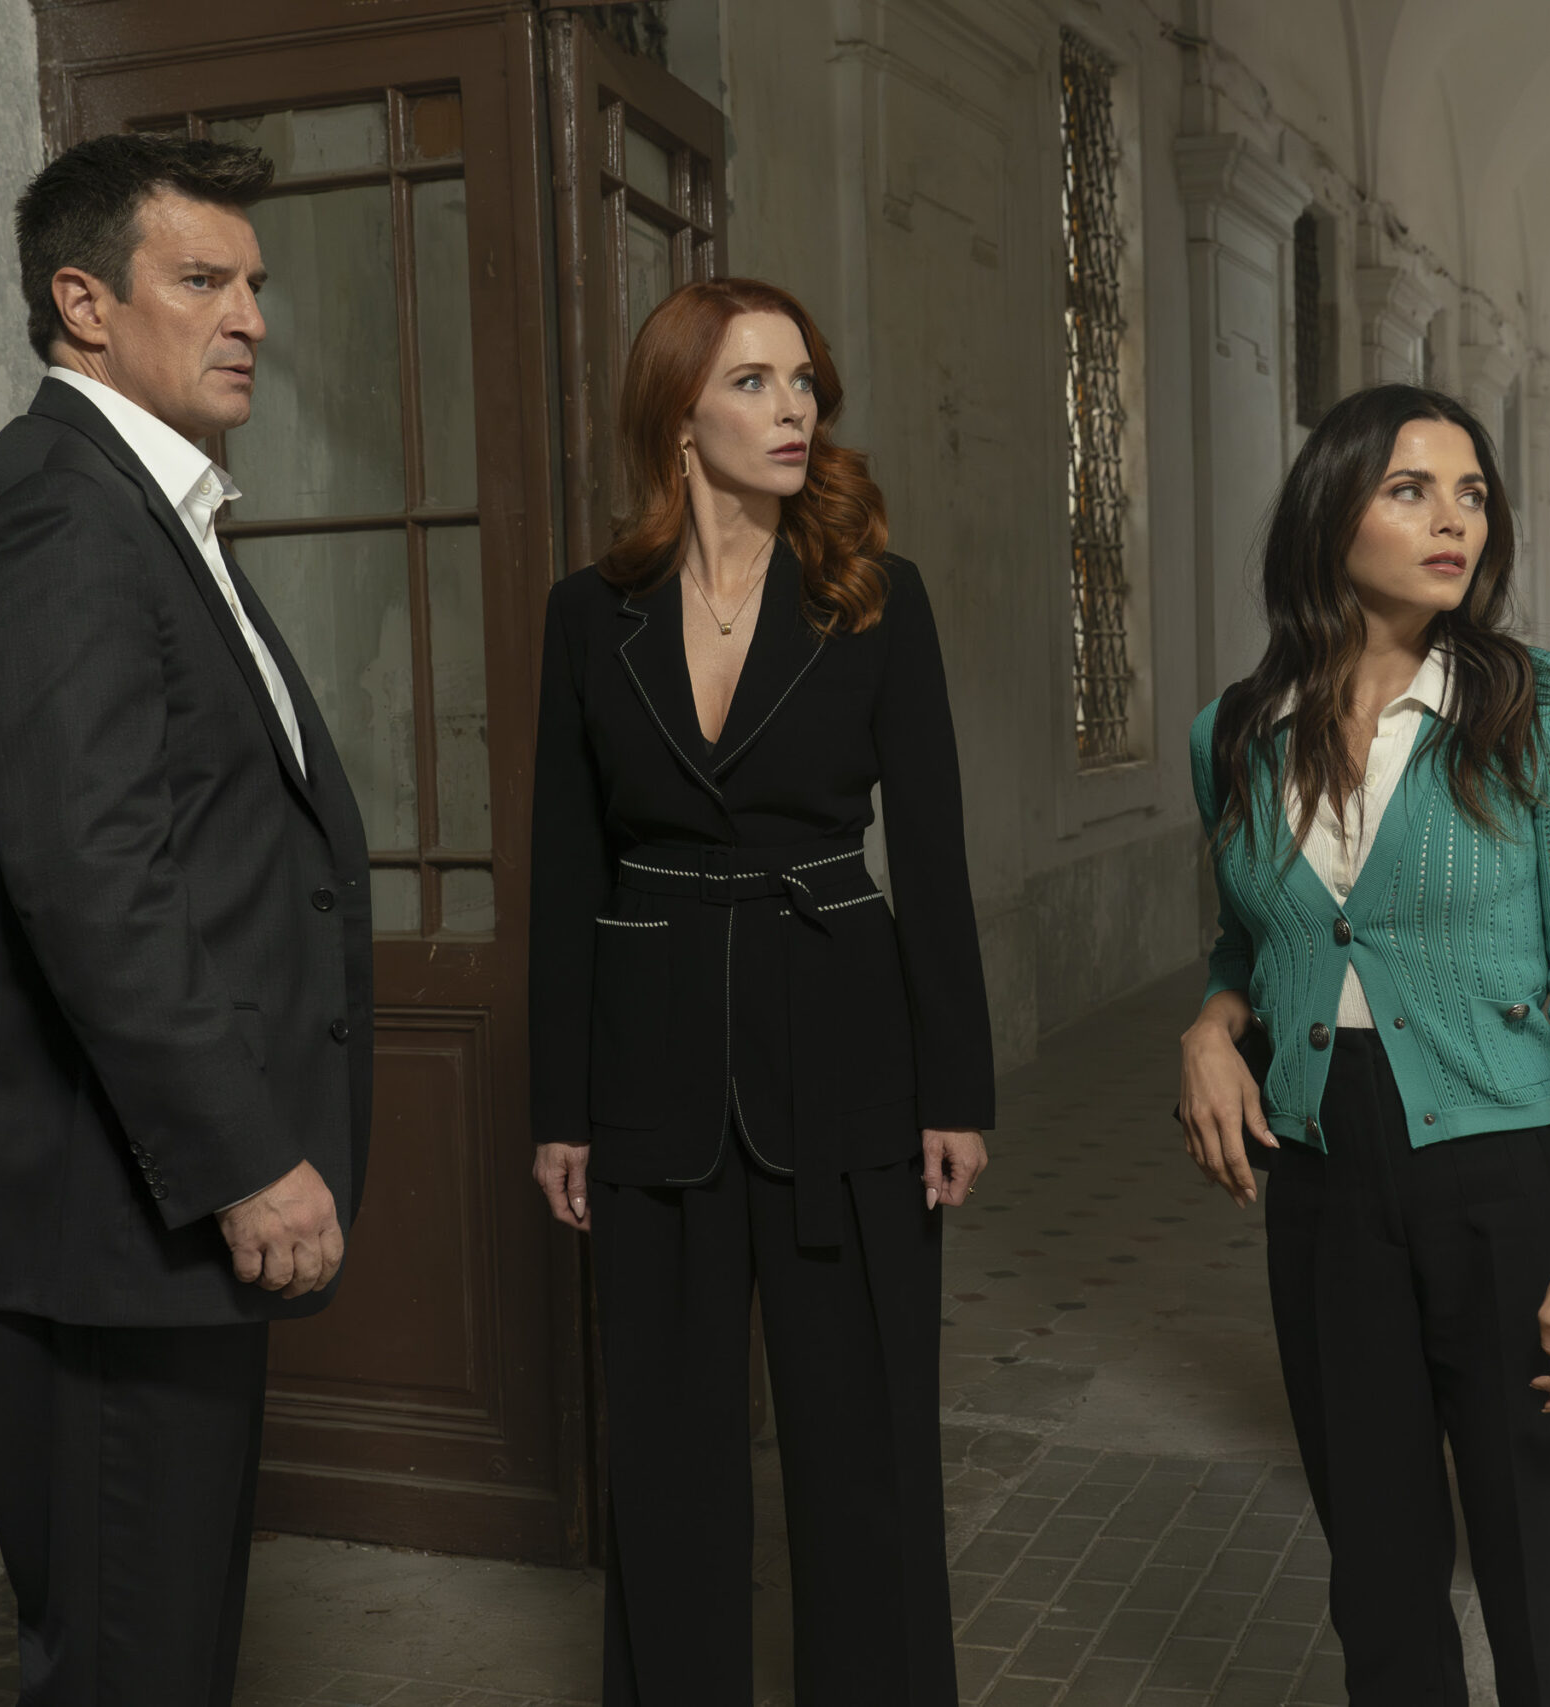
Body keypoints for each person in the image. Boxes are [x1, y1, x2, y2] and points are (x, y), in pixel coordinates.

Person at [0, 133, 374, 1706]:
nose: (250, 319)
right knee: (127, 1664)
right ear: (83, 303)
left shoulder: (140, 506)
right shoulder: (57, 514)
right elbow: (92, 881)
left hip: (136, 1210)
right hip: (105, 1212)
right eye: (203, 280)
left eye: (255, 285)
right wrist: (243, 1158)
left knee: (157, 1653)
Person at [527, 277, 993, 1706]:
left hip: (847, 1062)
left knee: (866, 1453)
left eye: (803, 384)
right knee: (667, 1463)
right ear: (678, 417)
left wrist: (956, 1092)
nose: (793, 410)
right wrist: (561, 1108)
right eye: (752, 383)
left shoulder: (877, 599)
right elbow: (563, 867)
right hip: (651, 1066)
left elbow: (934, 855)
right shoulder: (588, 617)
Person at [1176, 384, 1550, 1705]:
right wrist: (1209, 1024)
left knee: (1548, 1569)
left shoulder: (1545, 710)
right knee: (1376, 1573)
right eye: (1411, 490)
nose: (1454, 522)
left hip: (1504, 1173)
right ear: (1331, 513)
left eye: (1471, 494)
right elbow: (1252, 944)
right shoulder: (1235, 732)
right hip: (1323, 1183)